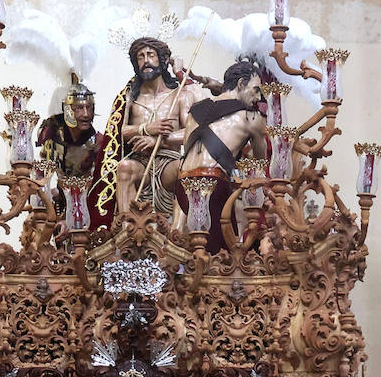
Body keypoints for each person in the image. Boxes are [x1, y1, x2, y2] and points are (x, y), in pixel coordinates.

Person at [98, 37, 202, 216]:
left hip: (169, 161)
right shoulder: (129, 97)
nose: (146, 60)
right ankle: (126, 226)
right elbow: (117, 132)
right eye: (140, 57)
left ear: (163, 60)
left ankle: (183, 227)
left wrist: (159, 141)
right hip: (140, 163)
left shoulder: (180, 95)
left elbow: (193, 130)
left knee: (187, 167)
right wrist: (145, 129)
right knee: (124, 167)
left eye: (151, 55)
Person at [173, 56, 269, 246]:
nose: (258, 98)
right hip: (213, 186)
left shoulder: (195, 110)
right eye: (256, 90)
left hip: (183, 186)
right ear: (241, 84)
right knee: (226, 253)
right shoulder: (251, 117)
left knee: (198, 249)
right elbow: (259, 166)